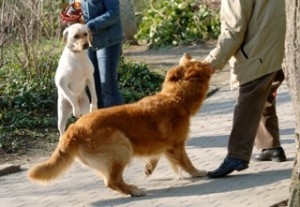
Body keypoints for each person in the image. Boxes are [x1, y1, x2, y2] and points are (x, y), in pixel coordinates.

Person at [204, 0, 287, 178]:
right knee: (264, 96)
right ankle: (270, 146)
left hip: (259, 49)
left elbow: (233, 30)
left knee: (248, 102)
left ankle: (236, 156)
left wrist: (211, 63)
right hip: (280, 44)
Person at [72, 0, 124, 108]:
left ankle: (117, 122)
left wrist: (89, 26)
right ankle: (99, 120)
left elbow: (113, 13)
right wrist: (72, 17)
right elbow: (76, 10)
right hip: (88, 43)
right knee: (92, 85)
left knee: (107, 85)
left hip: (108, 41)